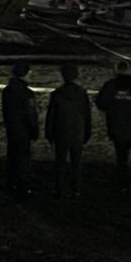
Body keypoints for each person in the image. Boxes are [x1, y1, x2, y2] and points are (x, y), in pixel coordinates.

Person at [94, 60, 131, 190]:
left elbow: (101, 103)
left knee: (120, 152)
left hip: (115, 124)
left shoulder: (111, 85)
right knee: (125, 152)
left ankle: (121, 179)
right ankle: (124, 179)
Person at [45, 63, 91, 198]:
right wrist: (87, 132)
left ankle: (59, 188)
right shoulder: (82, 94)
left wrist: (49, 133)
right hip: (77, 131)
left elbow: (51, 116)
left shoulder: (57, 94)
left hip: (61, 131)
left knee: (60, 162)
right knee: (76, 162)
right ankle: (75, 188)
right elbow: (86, 115)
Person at [1, 62, 39, 197]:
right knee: (23, 158)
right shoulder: (27, 93)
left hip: (12, 128)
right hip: (24, 130)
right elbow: (30, 113)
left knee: (12, 156)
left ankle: (11, 184)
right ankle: (23, 186)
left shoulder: (7, 91)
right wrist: (34, 130)